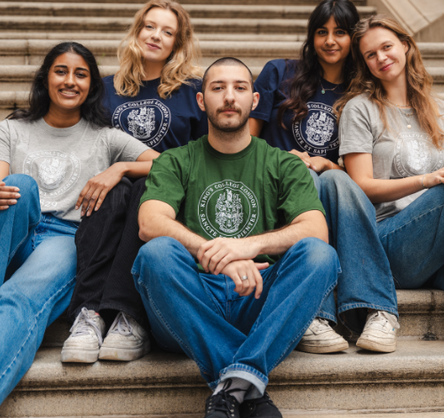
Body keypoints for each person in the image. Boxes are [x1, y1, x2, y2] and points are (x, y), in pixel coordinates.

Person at [133, 58, 339, 418]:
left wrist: (248, 245)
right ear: (201, 102)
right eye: (218, 88)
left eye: (240, 88)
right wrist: (216, 253)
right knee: (155, 254)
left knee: (320, 254)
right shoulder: (175, 161)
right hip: (189, 305)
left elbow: (315, 228)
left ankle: (231, 386)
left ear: (255, 100)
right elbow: (150, 222)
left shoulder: (284, 164)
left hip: (260, 302)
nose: (229, 97)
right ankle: (249, 383)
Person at [0, 42, 158, 418]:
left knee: (18, 298)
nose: (70, 81)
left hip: (65, 241)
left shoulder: (107, 137)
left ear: (91, 85)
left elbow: (173, 165)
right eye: (60, 71)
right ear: (45, 78)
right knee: (18, 186)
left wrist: (119, 168)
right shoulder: (9, 130)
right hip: (16, 233)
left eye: (81, 74)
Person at [337, 14, 444, 350]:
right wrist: (425, 180)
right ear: (364, 64)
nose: (381, 58)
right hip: (389, 243)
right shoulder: (360, 109)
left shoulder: (440, 110)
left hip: (437, 252)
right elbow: (361, 185)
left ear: (406, 46)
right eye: (370, 54)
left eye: (387, 47)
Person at [250, 0, 399, 354]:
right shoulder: (279, 73)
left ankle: (377, 310)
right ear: (311, 36)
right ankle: (315, 316)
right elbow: (246, 140)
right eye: (321, 32)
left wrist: (329, 164)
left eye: (340, 32)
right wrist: (283, 159)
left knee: (327, 179)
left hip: (335, 194)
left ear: (353, 39)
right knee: (309, 180)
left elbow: (366, 171)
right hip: (279, 188)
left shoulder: (364, 93)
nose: (330, 41)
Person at [62, 0, 207, 363]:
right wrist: (114, 173)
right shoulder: (107, 88)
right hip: (110, 198)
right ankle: (89, 315)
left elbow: (198, 158)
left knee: (142, 186)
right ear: (137, 31)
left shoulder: (192, 91)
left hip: (171, 195)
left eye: (167, 31)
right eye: (150, 26)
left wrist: (124, 167)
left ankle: (130, 316)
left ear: (178, 43)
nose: (156, 36)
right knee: (117, 192)